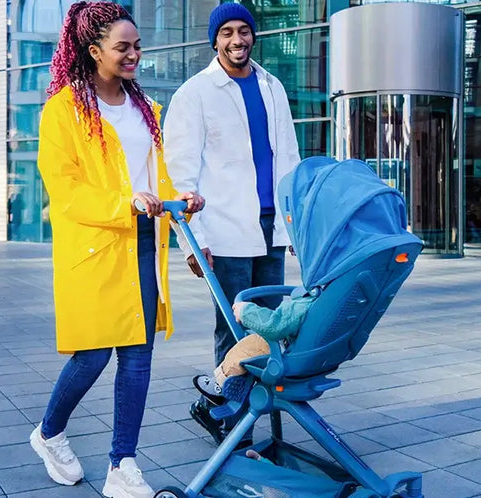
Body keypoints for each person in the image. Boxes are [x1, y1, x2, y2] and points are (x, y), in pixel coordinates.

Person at [29, 2, 203, 495]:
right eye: (122, 47)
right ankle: (49, 433)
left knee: (138, 357)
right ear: (94, 51)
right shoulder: (63, 110)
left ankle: (122, 465)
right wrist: (124, 202)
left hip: (143, 244)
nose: (134, 55)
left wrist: (184, 199)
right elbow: (65, 189)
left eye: (137, 46)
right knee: (91, 356)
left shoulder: (146, 109)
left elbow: (157, 175)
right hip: (95, 248)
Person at [164, 2, 302, 448]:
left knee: (268, 330)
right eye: (227, 32)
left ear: (253, 35)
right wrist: (192, 241)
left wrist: (296, 226)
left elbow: (289, 159)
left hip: (271, 230)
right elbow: (180, 174)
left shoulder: (272, 86)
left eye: (244, 30)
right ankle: (233, 426)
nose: (237, 39)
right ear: (215, 41)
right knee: (235, 328)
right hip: (224, 233)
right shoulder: (195, 93)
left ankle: (221, 409)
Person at [192, 296, 315, 406]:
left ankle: (219, 384)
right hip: (314, 361)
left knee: (246, 347)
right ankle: (238, 385)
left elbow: (273, 324)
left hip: (287, 358)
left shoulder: (303, 304)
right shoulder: (324, 300)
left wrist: (245, 311)